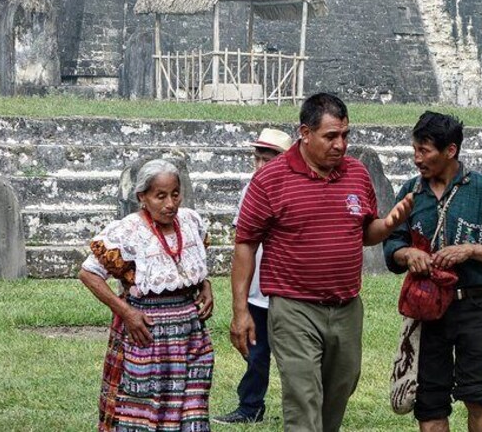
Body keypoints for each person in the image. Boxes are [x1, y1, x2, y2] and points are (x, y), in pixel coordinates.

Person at [230, 92, 414, 432]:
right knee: (303, 396)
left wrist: (388, 225)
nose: (340, 144)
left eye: (345, 135)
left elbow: (365, 233)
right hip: (293, 307)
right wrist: (241, 312)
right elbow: (245, 244)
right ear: (305, 133)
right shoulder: (270, 179)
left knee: (341, 388)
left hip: (346, 307)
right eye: (331, 136)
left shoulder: (357, 174)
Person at [383, 111, 482, 432]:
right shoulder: (410, 192)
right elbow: (392, 245)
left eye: (425, 151)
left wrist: (470, 250)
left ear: (450, 151)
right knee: (429, 401)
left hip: (474, 306)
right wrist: (409, 254)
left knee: (478, 395)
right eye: (414, 149)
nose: (417, 158)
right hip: (426, 311)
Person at [79, 159, 214, 432]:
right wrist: (126, 312)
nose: (170, 203)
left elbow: (192, 265)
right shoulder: (129, 230)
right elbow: (88, 273)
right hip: (147, 334)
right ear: (143, 197)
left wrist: (205, 285)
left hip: (189, 334)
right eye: (160, 196)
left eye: (175, 194)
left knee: (192, 407)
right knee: (144, 406)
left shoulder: (190, 222)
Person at [214, 127, 294, 425]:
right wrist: (242, 297)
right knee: (255, 354)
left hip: (289, 291)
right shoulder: (251, 190)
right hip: (258, 290)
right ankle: (250, 406)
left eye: (268, 160)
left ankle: (301, 410)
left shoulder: (296, 189)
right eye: (257, 159)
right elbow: (242, 243)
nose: (260, 166)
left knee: (296, 357)